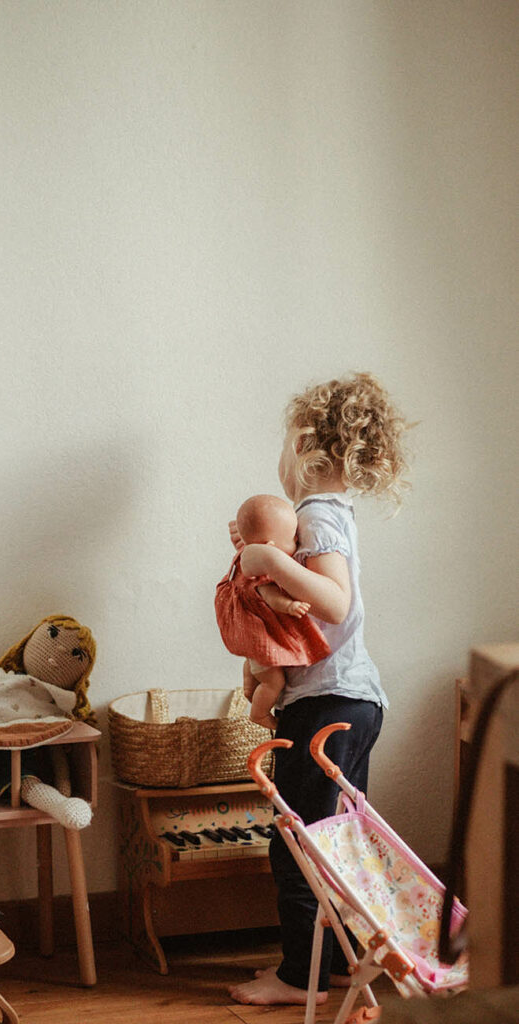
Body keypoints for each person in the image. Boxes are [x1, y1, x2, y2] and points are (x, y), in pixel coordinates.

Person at [227, 371, 410, 1007]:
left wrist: (274, 563)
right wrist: (274, 582)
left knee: (299, 843)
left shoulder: (314, 513)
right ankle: (330, 966)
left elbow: (335, 603)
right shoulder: (329, 515)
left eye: (284, 445)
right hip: (349, 701)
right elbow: (312, 612)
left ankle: (299, 975)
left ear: (305, 446)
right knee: (328, 841)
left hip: (330, 704)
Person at [215, 494, 331, 730]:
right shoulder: (262, 570)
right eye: (292, 538)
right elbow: (270, 596)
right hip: (260, 639)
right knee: (274, 681)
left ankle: (249, 687)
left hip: (250, 637)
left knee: (256, 659)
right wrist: (289, 605)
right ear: (269, 549)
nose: (297, 541)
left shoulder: (243, 556)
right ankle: (258, 713)